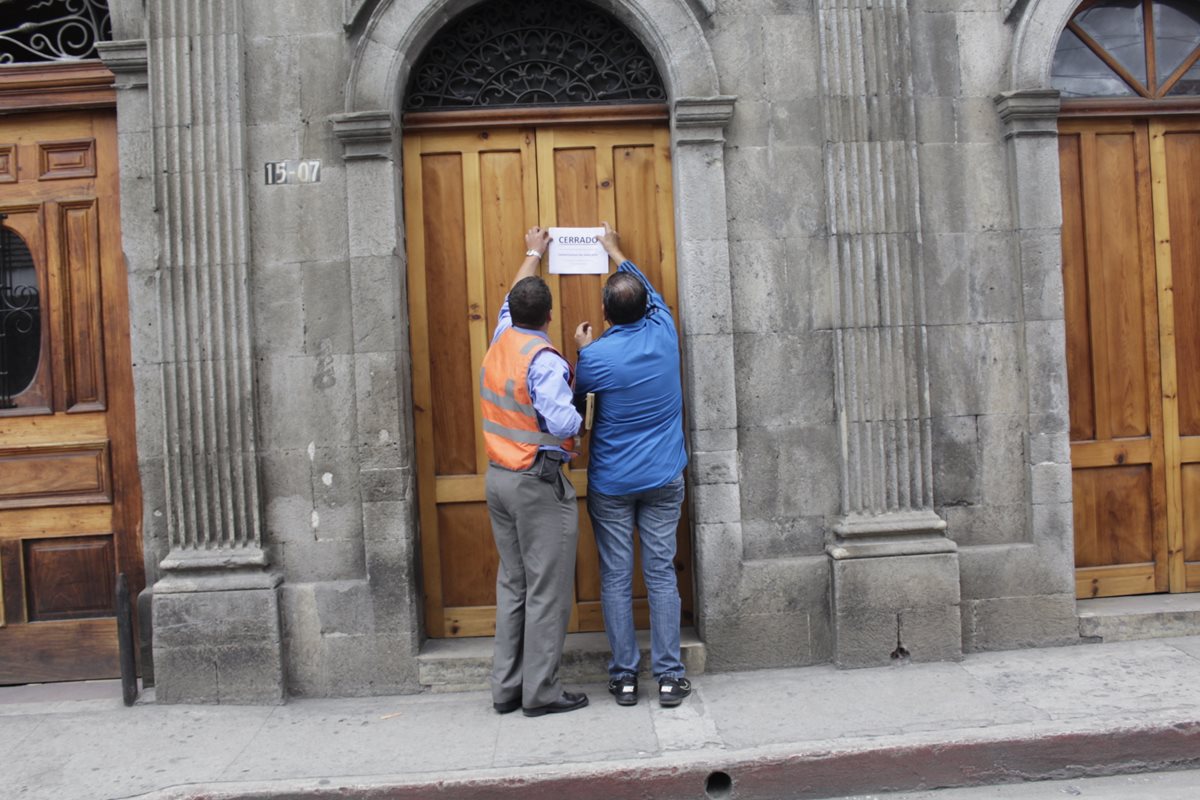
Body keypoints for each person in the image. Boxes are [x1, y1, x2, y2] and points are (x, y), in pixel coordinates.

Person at [573, 222, 690, 708]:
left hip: (613, 482)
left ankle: (624, 677)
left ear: (604, 313)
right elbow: (644, 286)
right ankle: (668, 676)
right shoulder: (665, 331)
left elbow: (578, 410)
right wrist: (613, 248)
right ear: (647, 307)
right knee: (660, 574)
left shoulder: (594, 357)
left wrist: (582, 351)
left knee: (617, 577)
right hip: (663, 477)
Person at [481, 226, 588, 717]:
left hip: (498, 477)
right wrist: (581, 364)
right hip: (536, 482)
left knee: (515, 584)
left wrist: (533, 252)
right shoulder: (543, 360)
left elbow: (511, 296)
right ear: (548, 317)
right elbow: (564, 420)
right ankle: (541, 692)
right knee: (547, 589)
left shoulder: (503, 337)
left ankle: (506, 688)